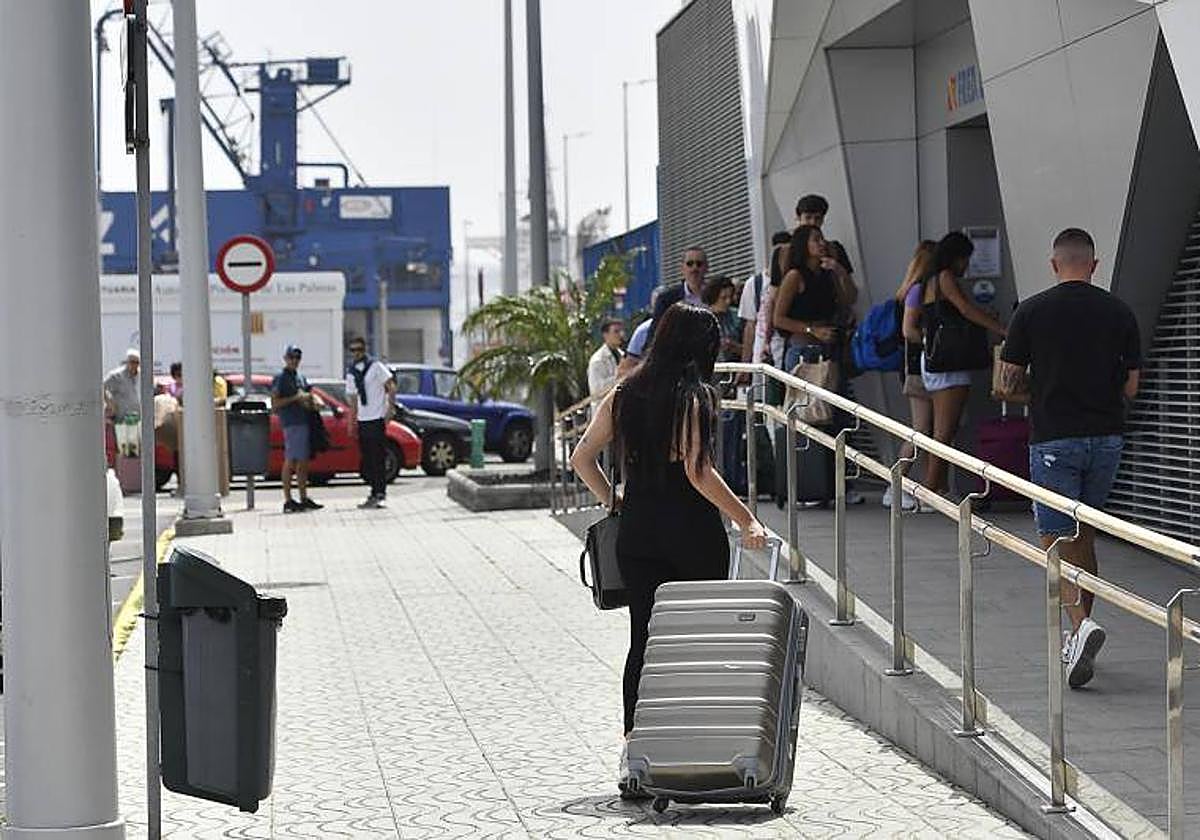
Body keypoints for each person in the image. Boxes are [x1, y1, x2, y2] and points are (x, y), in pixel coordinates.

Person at [569, 303, 768, 796]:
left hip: (638, 534)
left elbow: (581, 457)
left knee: (645, 640)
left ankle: (635, 752)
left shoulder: (624, 392)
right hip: (691, 535)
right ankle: (694, 746)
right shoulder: (696, 395)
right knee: (698, 643)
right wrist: (746, 518)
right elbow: (697, 471)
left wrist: (614, 500)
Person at [997, 228, 1140, 689]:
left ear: (1055, 264)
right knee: (1086, 536)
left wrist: (1042, 391)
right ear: (1094, 265)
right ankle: (1080, 634)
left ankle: (1079, 626)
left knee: (1055, 540)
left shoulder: (1031, 312)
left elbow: (1007, 381)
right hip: (1107, 438)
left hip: (1055, 439)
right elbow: (1132, 387)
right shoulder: (1120, 312)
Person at [904, 232, 1007, 497]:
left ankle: (936, 486)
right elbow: (965, 309)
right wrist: (1001, 329)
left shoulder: (927, 282)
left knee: (940, 431)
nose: (967, 266)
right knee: (944, 432)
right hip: (950, 366)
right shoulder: (945, 278)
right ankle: (930, 490)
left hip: (935, 361)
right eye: (965, 259)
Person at [885, 240, 937, 512]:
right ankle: (894, 484)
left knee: (925, 432)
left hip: (915, 369)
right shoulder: (918, 290)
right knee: (920, 431)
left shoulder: (910, 289)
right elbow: (909, 330)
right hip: (918, 369)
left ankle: (923, 489)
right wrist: (933, 342)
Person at [345, 336, 397, 509]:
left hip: (376, 418)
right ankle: (374, 490)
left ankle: (379, 492)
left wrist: (390, 408)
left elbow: (391, 386)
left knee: (378, 457)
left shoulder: (375, 366)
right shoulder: (352, 372)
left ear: (365, 349)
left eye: (359, 349)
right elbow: (353, 400)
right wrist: (351, 422)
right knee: (367, 459)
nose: (356, 353)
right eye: (353, 350)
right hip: (363, 419)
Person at [271, 344, 323, 513]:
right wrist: (295, 398)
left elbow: (308, 394)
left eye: (297, 358)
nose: (294, 361)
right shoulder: (281, 378)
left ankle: (303, 497)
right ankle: (288, 499)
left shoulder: (300, 377)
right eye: (291, 357)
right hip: (291, 423)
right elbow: (275, 403)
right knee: (291, 460)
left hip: (304, 421)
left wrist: (313, 401)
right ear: (285, 358)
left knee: (303, 462)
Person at [701, 275, 741, 362]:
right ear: (713, 297)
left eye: (730, 297)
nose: (728, 301)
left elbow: (748, 349)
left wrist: (734, 347)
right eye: (723, 298)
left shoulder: (737, 316)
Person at [588, 319, 625, 396]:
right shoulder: (597, 360)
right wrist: (619, 377)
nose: (620, 335)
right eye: (616, 331)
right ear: (605, 335)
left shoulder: (623, 355)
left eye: (621, 331)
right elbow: (596, 390)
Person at [103, 349, 141, 420]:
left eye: (137, 362)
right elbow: (102, 388)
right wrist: (109, 404)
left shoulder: (142, 375)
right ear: (127, 362)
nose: (134, 365)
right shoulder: (116, 375)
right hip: (121, 417)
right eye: (132, 362)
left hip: (138, 417)